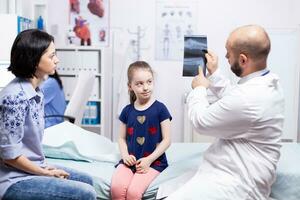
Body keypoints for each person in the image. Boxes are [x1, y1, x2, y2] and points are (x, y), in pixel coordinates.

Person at [167, 25, 284, 199]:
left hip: (237, 184)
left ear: (243, 60)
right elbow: (234, 98)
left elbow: (201, 122)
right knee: (168, 189)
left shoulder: (249, 97)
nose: (226, 57)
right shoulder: (268, 83)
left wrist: (198, 89)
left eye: (229, 53)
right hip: (230, 169)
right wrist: (214, 74)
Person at [0, 29, 97, 200]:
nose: (57, 60)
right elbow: (10, 157)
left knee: (88, 180)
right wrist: (45, 173)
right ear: (34, 59)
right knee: (86, 194)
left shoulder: (36, 92)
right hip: (12, 180)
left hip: (31, 169)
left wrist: (45, 167)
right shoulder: (14, 98)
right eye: (51, 56)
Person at [110, 61, 172, 199]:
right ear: (130, 86)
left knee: (133, 192)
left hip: (153, 162)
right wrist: (125, 156)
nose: (145, 87)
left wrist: (148, 160)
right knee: (116, 188)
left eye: (149, 82)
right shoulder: (127, 110)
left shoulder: (160, 109)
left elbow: (167, 140)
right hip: (130, 161)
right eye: (139, 84)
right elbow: (121, 138)